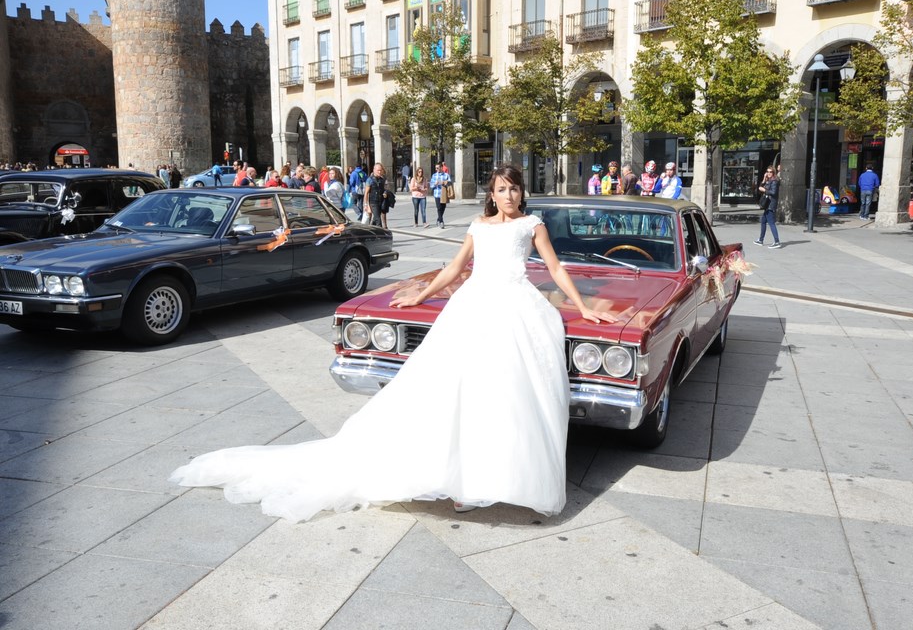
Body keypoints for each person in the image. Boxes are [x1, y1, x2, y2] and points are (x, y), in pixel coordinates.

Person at [168, 165, 615, 522]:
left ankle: (497, 477)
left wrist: (583, 305)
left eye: (514, 188)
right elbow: (454, 269)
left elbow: (555, 268)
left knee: (507, 395)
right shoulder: (479, 226)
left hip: (517, 309)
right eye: (502, 189)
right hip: (474, 308)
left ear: (521, 192)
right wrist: (420, 295)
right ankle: (459, 480)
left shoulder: (532, 225)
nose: (509, 195)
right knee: (457, 392)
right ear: (491, 194)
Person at [755, 167, 782, 248]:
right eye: (767, 171)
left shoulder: (774, 181)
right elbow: (760, 188)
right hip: (767, 204)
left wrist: (764, 190)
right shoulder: (769, 180)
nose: (769, 173)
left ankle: (777, 242)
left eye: (770, 172)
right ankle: (761, 240)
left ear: (773, 173)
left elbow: (773, 192)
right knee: (763, 221)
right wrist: (764, 178)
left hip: (771, 205)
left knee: (771, 223)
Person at [364, 162, 387, 227]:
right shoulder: (370, 180)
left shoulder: (382, 179)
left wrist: (385, 193)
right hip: (373, 203)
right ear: (374, 170)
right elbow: (366, 193)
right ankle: (380, 232)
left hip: (380, 202)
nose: (379, 172)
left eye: (380, 170)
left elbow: (384, 189)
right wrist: (366, 205)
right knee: (378, 221)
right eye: (378, 170)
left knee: (375, 220)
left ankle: (371, 230)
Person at [430, 163, 451, 229]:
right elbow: (431, 185)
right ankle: (441, 221)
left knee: (443, 207)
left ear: (441, 167)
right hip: (437, 194)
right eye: (436, 168)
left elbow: (450, 183)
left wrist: (444, 182)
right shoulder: (434, 175)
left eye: (438, 168)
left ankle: (438, 219)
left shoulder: (446, 175)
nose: (436, 169)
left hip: (444, 194)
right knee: (439, 208)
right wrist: (435, 184)